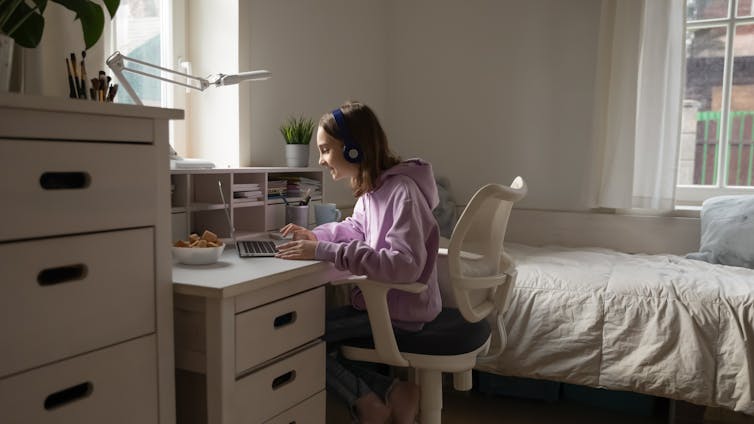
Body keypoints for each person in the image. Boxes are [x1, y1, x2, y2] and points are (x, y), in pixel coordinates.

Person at [276, 101, 442, 424]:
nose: (322, 160)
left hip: (398, 310)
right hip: (381, 305)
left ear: (353, 150)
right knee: (308, 335)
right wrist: (316, 238)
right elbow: (355, 229)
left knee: (299, 340)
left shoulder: (402, 192)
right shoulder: (372, 192)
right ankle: (395, 391)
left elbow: (403, 264)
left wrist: (326, 253)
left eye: (325, 150)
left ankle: (367, 403)